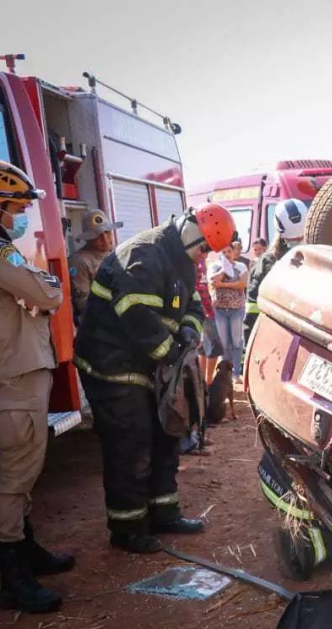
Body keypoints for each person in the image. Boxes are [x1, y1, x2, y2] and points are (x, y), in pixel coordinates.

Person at [73, 204, 236, 553]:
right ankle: (127, 527)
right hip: (111, 363)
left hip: (148, 363)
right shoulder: (144, 253)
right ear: (193, 231)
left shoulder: (182, 261)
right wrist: (170, 354)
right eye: (204, 248)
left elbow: (192, 307)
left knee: (166, 432)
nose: (204, 256)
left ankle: (164, 513)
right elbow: (136, 314)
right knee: (131, 441)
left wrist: (189, 338)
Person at [0, 160, 74, 613]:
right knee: (14, 474)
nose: (19, 216)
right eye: (14, 207)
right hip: (13, 375)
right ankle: (14, 576)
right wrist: (43, 290)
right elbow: (48, 294)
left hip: (14, 370)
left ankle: (27, 550)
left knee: (24, 466)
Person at [244, 198, 306, 347]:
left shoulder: (268, 261)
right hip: (280, 338)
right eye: (296, 238)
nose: (298, 241)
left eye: (300, 238)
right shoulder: (316, 255)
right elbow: (253, 308)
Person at [67, 209, 122, 323]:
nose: (105, 239)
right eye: (98, 236)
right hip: (100, 323)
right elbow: (82, 302)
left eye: (107, 232)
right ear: (89, 238)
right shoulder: (80, 261)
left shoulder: (118, 253)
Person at [208, 238, 249, 382]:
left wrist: (223, 285)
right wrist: (225, 269)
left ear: (234, 252)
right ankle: (226, 373)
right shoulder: (214, 267)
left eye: (229, 251)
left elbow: (242, 285)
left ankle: (236, 373)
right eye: (223, 252)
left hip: (236, 309)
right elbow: (213, 281)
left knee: (236, 341)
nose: (227, 254)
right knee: (224, 342)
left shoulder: (241, 267)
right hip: (219, 309)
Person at [195, 253, 223, 385]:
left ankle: (203, 380)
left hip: (205, 308)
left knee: (205, 343)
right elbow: (199, 287)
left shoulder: (204, 262)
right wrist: (208, 309)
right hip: (203, 309)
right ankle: (208, 380)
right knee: (214, 344)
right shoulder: (197, 263)